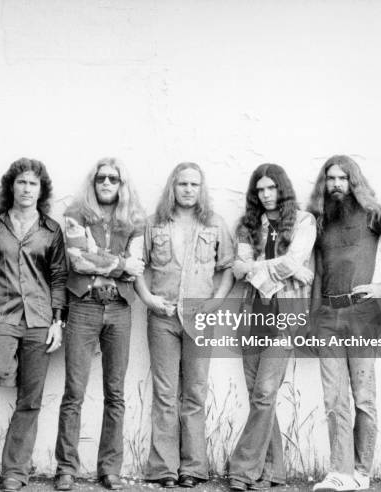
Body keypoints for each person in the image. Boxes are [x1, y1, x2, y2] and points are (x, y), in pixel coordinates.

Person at [308, 155, 381, 492]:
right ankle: (339, 473)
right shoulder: (318, 220)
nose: (336, 185)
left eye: (343, 178)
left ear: (353, 180)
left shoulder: (374, 213)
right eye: (330, 179)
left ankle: (361, 473)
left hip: (361, 313)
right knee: (334, 399)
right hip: (327, 315)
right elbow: (316, 274)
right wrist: (311, 320)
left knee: (363, 399)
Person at [0, 158, 68, 491]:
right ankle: (22, 372)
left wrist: (57, 321)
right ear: (11, 187)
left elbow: (59, 277)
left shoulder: (51, 230)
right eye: (21, 182)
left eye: (32, 183)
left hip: (39, 320)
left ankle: (15, 471)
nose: (26, 188)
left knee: (30, 399)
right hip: (5, 316)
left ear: (41, 190)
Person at [135, 162, 234, 488]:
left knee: (194, 394)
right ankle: (164, 469)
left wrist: (216, 302)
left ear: (200, 188)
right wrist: (148, 299)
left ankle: (192, 469)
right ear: (172, 187)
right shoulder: (154, 224)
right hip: (162, 317)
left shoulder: (215, 224)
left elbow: (229, 268)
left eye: (193, 184)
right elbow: (136, 267)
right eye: (182, 184)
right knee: (165, 394)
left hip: (200, 317)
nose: (188, 189)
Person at [54, 158, 145, 491]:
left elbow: (138, 268)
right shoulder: (75, 215)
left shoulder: (135, 220)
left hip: (119, 309)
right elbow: (77, 261)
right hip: (83, 307)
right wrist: (120, 263)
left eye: (114, 179)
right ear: (93, 183)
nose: (107, 183)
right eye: (101, 178)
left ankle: (110, 469)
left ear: (122, 184)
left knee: (115, 394)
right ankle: (66, 468)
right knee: (73, 392)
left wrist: (100, 258)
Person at [227, 164, 316, 491]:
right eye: (259, 189)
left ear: (282, 188)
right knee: (258, 396)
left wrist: (256, 266)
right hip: (252, 313)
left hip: (287, 313)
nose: (265, 195)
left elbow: (294, 260)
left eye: (270, 188)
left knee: (265, 392)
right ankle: (274, 472)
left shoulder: (304, 221)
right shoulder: (248, 225)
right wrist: (283, 268)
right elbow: (239, 269)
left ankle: (242, 472)